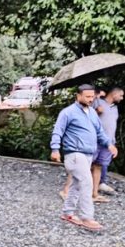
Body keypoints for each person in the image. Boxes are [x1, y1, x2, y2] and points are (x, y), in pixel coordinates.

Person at [50, 84, 117, 231]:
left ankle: (67, 213)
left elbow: (99, 132)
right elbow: (57, 131)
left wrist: (109, 144)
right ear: (78, 96)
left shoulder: (92, 113)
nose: (90, 99)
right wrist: (55, 149)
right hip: (74, 154)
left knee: (76, 184)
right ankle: (87, 217)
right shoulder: (68, 112)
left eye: (92, 96)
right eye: (87, 96)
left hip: (88, 155)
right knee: (87, 182)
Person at [92, 87, 123, 199]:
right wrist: (96, 111)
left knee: (99, 165)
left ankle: (95, 192)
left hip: (109, 142)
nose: (122, 98)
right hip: (95, 140)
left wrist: (112, 142)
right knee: (88, 164)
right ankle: (76, 190)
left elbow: (112, 126)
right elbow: (85, 116)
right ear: (114, 94)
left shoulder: (115, 108)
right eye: (121, 95)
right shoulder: (97, 102)